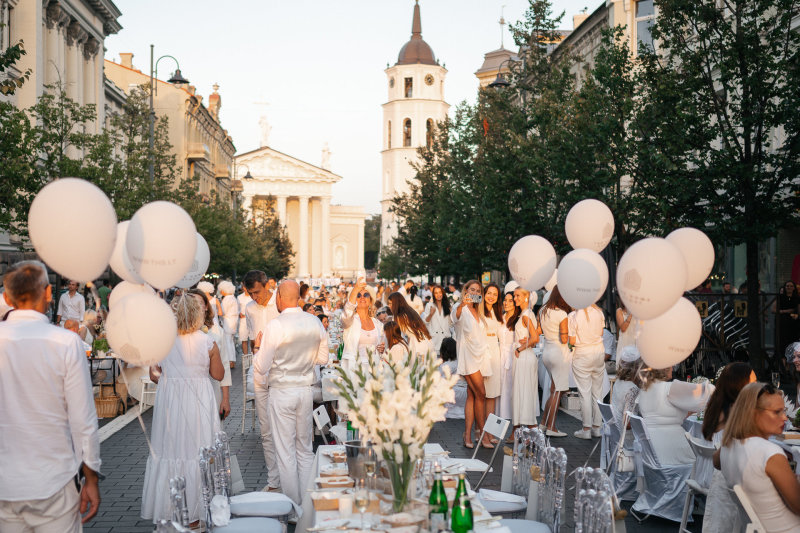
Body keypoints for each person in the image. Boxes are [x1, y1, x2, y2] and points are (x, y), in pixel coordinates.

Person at [0, 261, 101, 531]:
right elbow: (83, 420)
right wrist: (90, 476)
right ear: (48, 294)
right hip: (54, 478)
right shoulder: (65, 343)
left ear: (7, 297)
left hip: (5, 483)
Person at [141, 292, 224, 524]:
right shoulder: (208, 342)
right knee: (197, 451)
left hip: (171, 404)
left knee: (171, 451)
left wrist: (172, 378)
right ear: (198, 314)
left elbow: (154, 375)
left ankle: (170, 511)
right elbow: (218, 374)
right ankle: (197, 515)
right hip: (199, 403)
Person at [254, 280, 329, 505]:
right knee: (305, 450)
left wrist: (258, 348)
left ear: (279, 296)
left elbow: (261, 367)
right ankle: (306, 503)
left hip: (282, 391)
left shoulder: (276, 326)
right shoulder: (314, 321)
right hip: (304, 390)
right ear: (297, 297)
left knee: (285, 452)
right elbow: (324, 358)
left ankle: (293, 505)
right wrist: (305, 361)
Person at [717, 382, 800, 532]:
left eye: (784, 411)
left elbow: (717, 462)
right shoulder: (769, 453)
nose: (785, 418)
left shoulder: (727, 446)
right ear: (753, 413)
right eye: (777, 412)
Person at [701, 362, 756, 533]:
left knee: (721, 523)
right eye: (753, 381)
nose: (757, 385)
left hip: (721, 474)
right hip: (734, 473)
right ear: (741, 385)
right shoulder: (738, 412)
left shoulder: (719, 406)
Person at [242, 270, 281, 492]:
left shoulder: (279, 302)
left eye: (257, 292)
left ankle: (287, 478)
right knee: (265, 429)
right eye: (250, 293)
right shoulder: (249, 308)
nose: (255, 297)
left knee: (283, 427)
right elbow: (251, 334)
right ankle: (273, 481)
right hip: (259, 368)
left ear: (266, 285)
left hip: (280, 367)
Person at [637, 366, 714, 464]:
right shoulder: (670, 387)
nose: (673, 369)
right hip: (671, 448)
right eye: (671, 366)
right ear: (663, 369)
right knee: (704, 461)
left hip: (650, 448)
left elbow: (665, 413)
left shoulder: (645, 388)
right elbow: (704, 392)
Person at [453, 280, 493, 449]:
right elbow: (455, 318)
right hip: (468, 357)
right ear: (466, 291)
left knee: (472, 395)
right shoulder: (460, 308)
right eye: (471, 290)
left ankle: (467, 434)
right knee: (481, 394)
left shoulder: (479, 311)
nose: (474, 293)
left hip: (481, 357)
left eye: (477, 291)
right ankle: (483, 434)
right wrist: (463, 303)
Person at [189, 289, 231, 420]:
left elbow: (225, 364)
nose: (197, 306)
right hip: (188, 390)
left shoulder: (216, 331)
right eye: (192, 303)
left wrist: (225, 399)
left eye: (200, 302)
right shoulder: (181, 333)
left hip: (212, 387)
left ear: (206, 306)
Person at [538, 286, 572, 437]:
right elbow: (564, 339)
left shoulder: (543, 310)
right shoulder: (562, 314)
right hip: (559, 353)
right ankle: (552, 427)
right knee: (557, 392)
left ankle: (544, 424)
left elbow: (539, 331)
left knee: (553, 390)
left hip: (546, 352)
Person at [569, 303, 607, 439]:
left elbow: (572, 341)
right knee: (598, 392)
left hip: (582, 353)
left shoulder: (574, 315)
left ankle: (586, 429)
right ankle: (597, 427)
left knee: (584, 393)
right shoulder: (599, 312)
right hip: (598, 352)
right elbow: (602, 333)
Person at [511, 287, 540, 432]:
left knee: (524, 392)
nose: (515, 298)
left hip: (524, 356)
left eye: (517, 296)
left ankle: (530, 429)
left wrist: (519, 349)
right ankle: (519, 431)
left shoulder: (526, 315)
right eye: (514, 295)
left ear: (526, 297)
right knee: (523, 392)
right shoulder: (525, 314)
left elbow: (536, 338)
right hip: (524, 357)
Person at [340, 279, 383, 376]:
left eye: (366, 295)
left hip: (374, 371)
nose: (362, 297)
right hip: (354, 371)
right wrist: (355, 290)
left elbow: (382, 348)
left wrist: (382, 349)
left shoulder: (378, 324)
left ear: (371, 300)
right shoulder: (350, 321)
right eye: (358, 295)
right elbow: (347, 313)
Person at [610, 346, 643, 445]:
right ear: (637, 367)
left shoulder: (618, 382)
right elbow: (627, 423)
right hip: (625, 438)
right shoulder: (633, 389)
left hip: (614, 431)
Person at [482, 283, 504, 427]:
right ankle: (479, 430)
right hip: (482, 353)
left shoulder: (498, 314)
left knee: (492, 394)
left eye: (495, 294)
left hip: (495, 354)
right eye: (489, 293)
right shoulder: (478, 312)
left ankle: (489, 432)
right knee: (481, 394)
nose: (491, 297)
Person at [387, 292, 432, 360]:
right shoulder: (410, 311)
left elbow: (398, 337)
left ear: (396, 303)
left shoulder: (398, 317)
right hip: (426, 341)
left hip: (417, 345)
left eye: (390, 303)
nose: (388, 306)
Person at [497, 291, 516, 420]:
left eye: (510, 301)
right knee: (500, 387)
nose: (506, 303)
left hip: (512, 356)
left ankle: (512, 415)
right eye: (505, 300)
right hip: (499, 355)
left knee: (510, 388)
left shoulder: (519, 319)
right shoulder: (501, 318)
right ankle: (500, 414)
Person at [423, 284, 451, 353]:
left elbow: (451, 323)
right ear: (433, 295)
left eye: (440, 292)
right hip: (434, 339)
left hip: (445, 339)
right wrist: (431, 314)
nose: (438, 295)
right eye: (436, 293)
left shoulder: (448, 306)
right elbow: (425, 322)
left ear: (442, 293)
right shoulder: (429, 305)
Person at [219, 281, 239, 369]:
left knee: (228, 342)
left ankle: (230, 361)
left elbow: (222, 312)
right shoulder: (233, 298)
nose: (220, 291)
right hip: (233, 321)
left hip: (228, 322)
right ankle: (232, 361)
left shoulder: (227, 299)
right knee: (231, 341)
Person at [615, 298, 639, 369]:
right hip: (624, 341)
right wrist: (631, 314)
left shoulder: (638, 312)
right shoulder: (619, 311)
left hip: (635, 341)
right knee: (622, 366)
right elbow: (623, 328)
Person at [778, 280, 799, 356]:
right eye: (787, 286)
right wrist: (786, 311)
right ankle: (783, 362)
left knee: (793, 342)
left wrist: (797, 315)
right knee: (783, 342)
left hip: (794, 323)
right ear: (785, 287)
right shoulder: (780, 297)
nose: (789, 287)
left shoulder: (797, 298)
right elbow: (773, 310)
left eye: (791, 286)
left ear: (794, 288)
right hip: (783, 322)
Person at [237, 285, 252, 355]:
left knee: (253, 339)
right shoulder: (239, 297)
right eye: (244, 287)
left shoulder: (253, 296)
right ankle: (245, 359)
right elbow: (236, 309)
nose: (245, 289)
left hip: (252, 320)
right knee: (244, 340)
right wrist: (239, 313)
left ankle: (254, 357)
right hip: (243, 321)